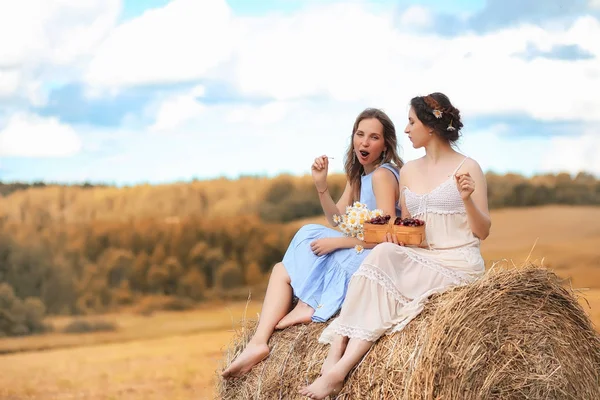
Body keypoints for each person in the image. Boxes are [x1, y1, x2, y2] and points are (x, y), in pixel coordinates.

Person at [299, 93, 491, 399]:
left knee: (385, 268)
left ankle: (338, 371)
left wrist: (466, 200)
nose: (406, 129)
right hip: (423, 255)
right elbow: (409, 228)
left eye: (412, 122)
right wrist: (388, 234)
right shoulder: (409, 171)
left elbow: (482, 232)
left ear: (430, 126)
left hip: (458, 263)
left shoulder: (469, 168)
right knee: (382, 255)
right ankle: (336, 350)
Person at [221, 108, 404, 379]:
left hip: (374, 256)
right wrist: (321, 186)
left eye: (373, 137)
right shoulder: (360, 176)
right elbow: (337, 219)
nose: (364, 143)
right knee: (281, 271)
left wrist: (336, 244)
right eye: (360, 134)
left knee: (309, 233)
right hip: (355, 246)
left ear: (385, 144)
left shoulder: (382, 175)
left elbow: (386, 232)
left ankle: (310, 305)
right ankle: (259, 343)